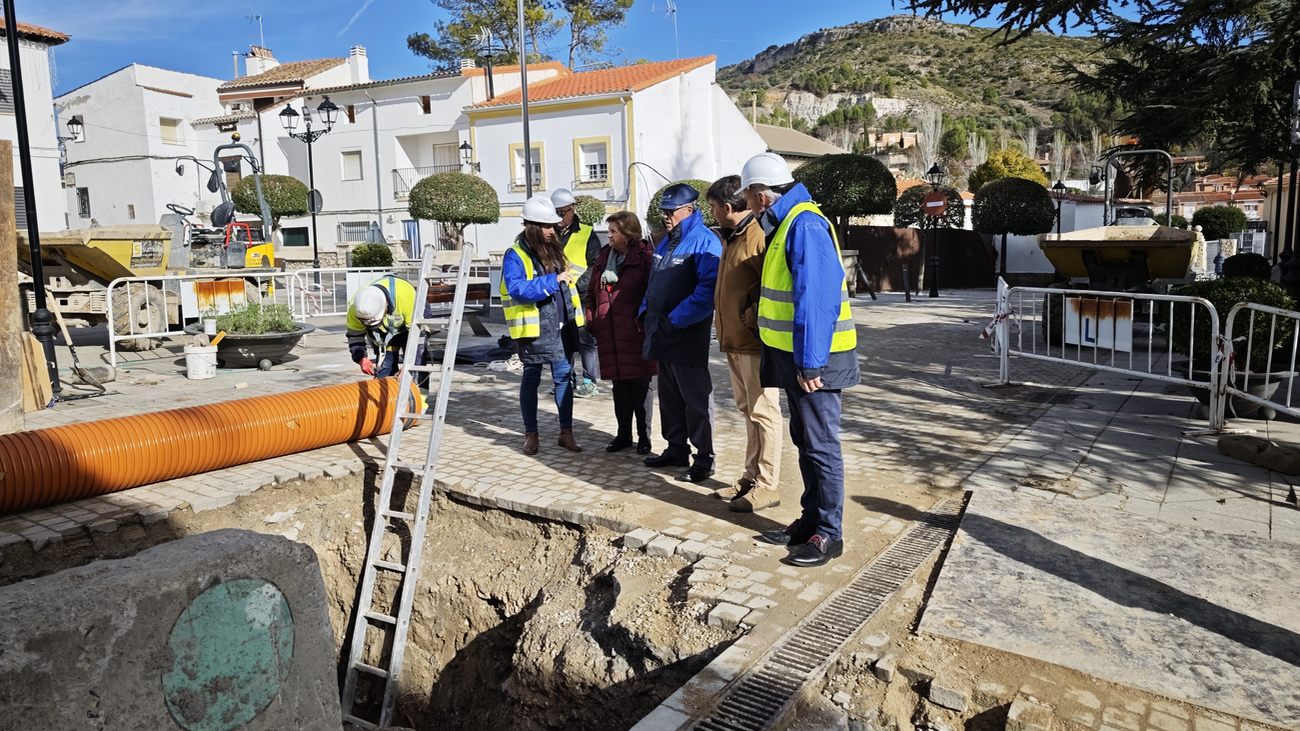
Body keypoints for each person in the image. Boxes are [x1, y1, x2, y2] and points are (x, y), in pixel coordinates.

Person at [743, 152, 860, 568]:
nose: (750, 209)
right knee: (807, 443)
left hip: (815, 363)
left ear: (761, 196)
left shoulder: (804, 223)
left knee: (821, 446)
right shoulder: (792, 222)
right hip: (799, 361)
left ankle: (829, 534)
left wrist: (811, 363)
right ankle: (811, 521)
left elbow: (817, 298)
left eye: (750, 200)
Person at [706, 175, 783, 513]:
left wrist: (750, 318)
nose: (711, 213)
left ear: (726, 207)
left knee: (765, 413)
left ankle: (767, 485)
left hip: (754, 342)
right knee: (749, 412)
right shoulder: (732, 238)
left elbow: (773, 283)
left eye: (712, 207)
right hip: (734, 341)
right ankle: (750, 477)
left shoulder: (758, 235)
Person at [641, 183, 722, 483]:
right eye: (663, 211)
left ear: (689, 209)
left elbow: (707, 290)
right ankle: (676, 449)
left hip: (685, 333)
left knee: (695, 399)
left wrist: (676, 320)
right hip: (662, 331)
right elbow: (655, 282)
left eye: (670, 211)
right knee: (671, 397)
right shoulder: (666, 242)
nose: (665, 216)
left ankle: (704, 458)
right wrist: (643, 311)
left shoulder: (704, 241)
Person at [501, 195, 586, 455]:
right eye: (548, 226)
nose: (554, 230)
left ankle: (566, 433)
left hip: (561, 327)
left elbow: (568, 283)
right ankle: (531, 435)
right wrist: (553, 281)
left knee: (564, 379)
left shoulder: (555, 250)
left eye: (554, 225)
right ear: (533, 227)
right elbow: (517, 289)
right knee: (531, 379)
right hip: (534, 330)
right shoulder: (514, 255)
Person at [587, 211, 657, 454]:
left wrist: (642, 323)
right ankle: (623, 435)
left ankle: (644, 437)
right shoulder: (603, 256)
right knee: (619, 390)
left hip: (635, 334)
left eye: (613, 231)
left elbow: (653, 294)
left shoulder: (645, 257)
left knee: (640, 388)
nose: (609, 236)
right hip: (609, 334)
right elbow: (591, 293)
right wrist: (592, 319)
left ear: (628, 235)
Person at [552, 188, 604, 398]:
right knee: (562, 339)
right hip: (557, 295)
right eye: (556, 212)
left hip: (581, 297)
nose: (559, 217)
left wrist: (577, 285)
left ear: (572, 211)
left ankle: (590, 381)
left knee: (585, 340)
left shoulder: (586, 233)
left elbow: (596, 266)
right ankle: (567, 379)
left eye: (563, 212)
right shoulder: (549, 234)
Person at [347, 275, 418, 378]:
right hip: (386, 333)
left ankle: (420, 393)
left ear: (386, 306)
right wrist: (361, 359)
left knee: (417, 367)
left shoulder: (406, 298)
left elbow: (417, 340)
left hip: (409, 326)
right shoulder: (355, 308)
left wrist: (410, 365)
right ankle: (389, 392)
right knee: (385, 369)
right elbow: (355, 336)